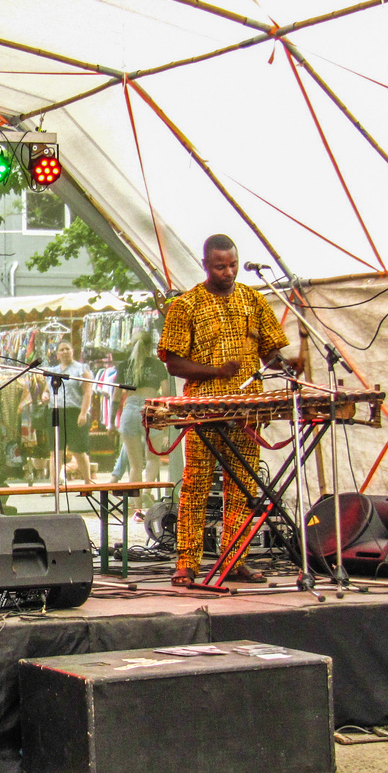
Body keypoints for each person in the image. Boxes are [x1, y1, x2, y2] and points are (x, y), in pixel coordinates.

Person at [158, 234, 291, 587]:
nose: (229, 271)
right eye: (220, 266)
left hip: (248, 409)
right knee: (196, 484)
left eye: (232, 264)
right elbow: (172, 363)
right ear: (205, 265)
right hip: (205, 408)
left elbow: (270, 355)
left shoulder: (255, 300)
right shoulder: (186, 306)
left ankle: (236, 558)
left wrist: (289, 364)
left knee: (244, 484)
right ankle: (187, 562)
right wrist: (217, 372)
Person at [114, 329, 171, 508]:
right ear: (150, 346)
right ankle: (147, 492)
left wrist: (110, 421)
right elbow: (167, 392)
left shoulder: (124, 366)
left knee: (134, 465)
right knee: (153, 458)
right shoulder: (157, 365)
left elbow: (116, 396)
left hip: (130, 410)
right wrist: (167, 418)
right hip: (153, 408)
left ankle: (137, 508)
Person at [40, 339, 94, 483]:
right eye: (62, 350)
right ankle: (53, 484)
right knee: (56, 451)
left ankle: (87, 482)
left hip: (74, 412)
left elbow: (87, 393)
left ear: (72, 351)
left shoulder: (81, 369)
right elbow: (47, 389)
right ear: (57, 354)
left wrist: (83, 413)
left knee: (78, 449)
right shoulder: (54, 371)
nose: (65, 352)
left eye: (67, 349)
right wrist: (45, 395)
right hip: (55, 412)